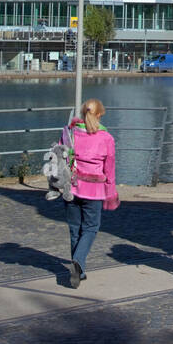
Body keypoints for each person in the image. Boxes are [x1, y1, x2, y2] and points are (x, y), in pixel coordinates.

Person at [64, 98, 118, 288]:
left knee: (74, 229)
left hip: (71, 186)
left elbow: (62, 155)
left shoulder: (71, 132)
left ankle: (80, 270)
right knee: (90, 228)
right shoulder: (106, 138)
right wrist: (111, 191)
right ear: (100, 115)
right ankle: (78, 261)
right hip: (93, 190)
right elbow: (109, 168)